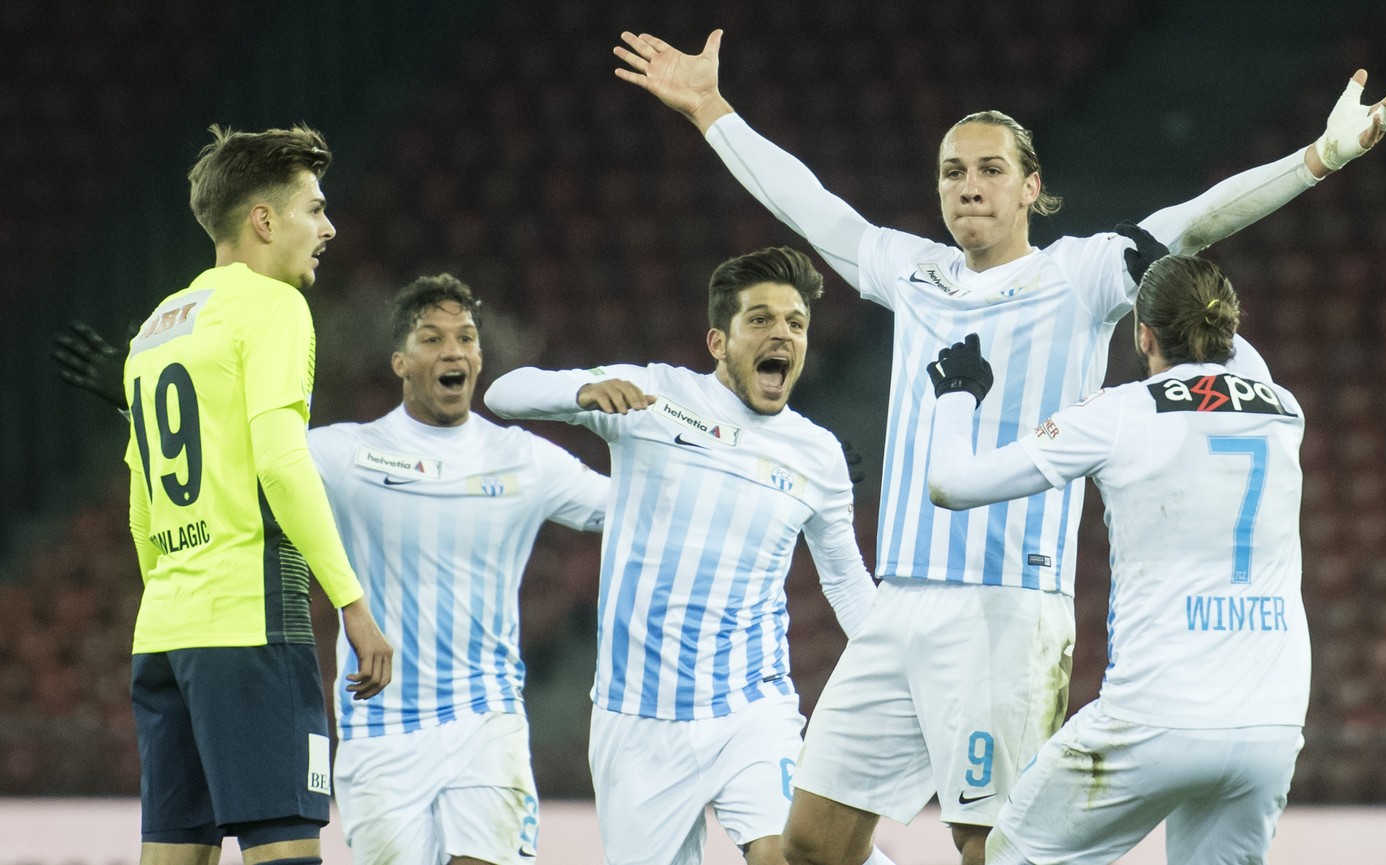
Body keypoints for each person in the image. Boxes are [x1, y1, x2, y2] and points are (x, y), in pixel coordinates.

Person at [612, 30, 1386, 865]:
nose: (968, 186)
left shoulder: (1085, 274)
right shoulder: (910, 272)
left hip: (1005, 607)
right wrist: (710, 110)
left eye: (991, 168)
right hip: (900, 601)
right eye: (953, 171)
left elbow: (1198, 220)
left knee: (990, 847)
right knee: (811, 844)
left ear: (1032, 186)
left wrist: (1320, 156)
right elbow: (808, 206)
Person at [483, 246, 884, 865]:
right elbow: (506, 394)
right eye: (761, 320)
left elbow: (847, 582)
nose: (782, 334)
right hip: (634, 722)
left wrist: (900, 667)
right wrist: (584, 391)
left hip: (751, 708)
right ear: (718, 342)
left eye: (795, 323)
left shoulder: (818, 453)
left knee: (791, 855)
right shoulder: (654, 398)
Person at [924, 254, 1307, 865]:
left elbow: (952, 484)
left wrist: (955, 396)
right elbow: (1233, 360)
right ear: (1226, 329)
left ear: (1143, 334)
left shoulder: (1119, 412)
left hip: (1153, 720)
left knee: (1004, 859)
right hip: (1271, 724)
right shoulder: (1285, 408)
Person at [121, 125, 392, 865]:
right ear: (263, 220)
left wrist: (178, 596)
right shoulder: (273, 307)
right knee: (285, 847)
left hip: (166, 632)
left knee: (175, 851)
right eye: (314, 209)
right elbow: (281, 461)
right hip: (251, 626)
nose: (328, 227)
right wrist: (353, 603)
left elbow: (143, 503)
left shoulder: (154, 330)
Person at [307, 274, 608, 864]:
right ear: (400, 360)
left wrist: (757, 473)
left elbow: (627, 509)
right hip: (380, 732)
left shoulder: (522, 457)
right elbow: (247, 457)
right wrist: (140, 398)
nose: (453, 350)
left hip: (485, 722)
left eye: (466, 338)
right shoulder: (346, 453)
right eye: (432, 338)